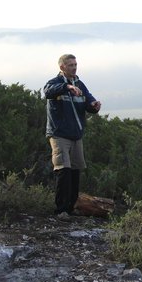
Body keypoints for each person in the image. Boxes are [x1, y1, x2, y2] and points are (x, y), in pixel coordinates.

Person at [44, 54, 101, 217]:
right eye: (70, 65)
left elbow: (89, 102)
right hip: (59, 134)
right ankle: (61, 210)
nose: (74, 68)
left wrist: (94, 106)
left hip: (76, 135)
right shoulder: (54, 82)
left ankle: (71, 207)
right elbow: (47, 92)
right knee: (63, 170)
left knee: (75, 171)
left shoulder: (80, 84)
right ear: (62, 67)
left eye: (75, 64)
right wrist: (67, 87)